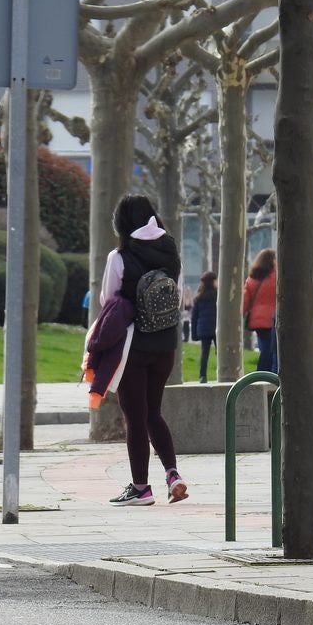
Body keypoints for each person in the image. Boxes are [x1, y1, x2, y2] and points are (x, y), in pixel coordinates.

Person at [100, 194, 188, 506]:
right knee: (153, 411)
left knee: (134, 417)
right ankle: (173, 473)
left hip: (131, 347)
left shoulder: (119, 256)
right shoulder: (171, 250)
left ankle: (140, 488)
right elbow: (176, 294)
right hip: (165, 344)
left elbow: (107, 300)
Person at [242, 248, 277, 373]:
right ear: (272, 261)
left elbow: (245, 301)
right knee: (271, 350)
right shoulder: (276, 277)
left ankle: (261, 375)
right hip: (272, 318)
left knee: (265, 348)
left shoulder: (252, 278)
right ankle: (265, 375)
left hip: (257, 320)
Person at [190, 272, 217, 383]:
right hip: (216, 328)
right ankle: (221, 373)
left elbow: (194, 317)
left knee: (204, 353)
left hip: (204, 329)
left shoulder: (198, 298)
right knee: (219, 352)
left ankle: (202, 376)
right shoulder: (217, 295)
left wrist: (194, 334)